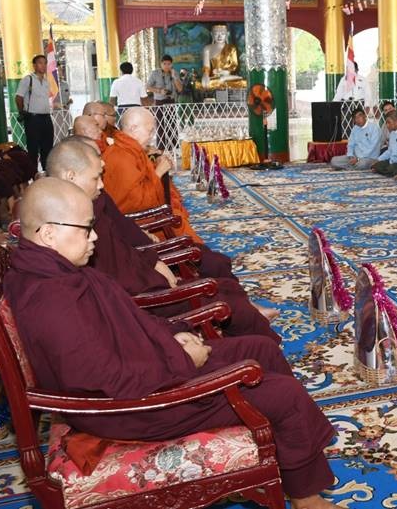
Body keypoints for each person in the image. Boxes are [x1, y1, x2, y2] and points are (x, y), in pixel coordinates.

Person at [4, 178, 340, 508]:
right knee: (283, 395)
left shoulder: (58, 271)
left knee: (260, 349)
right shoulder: (51, 299)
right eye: (85, 229)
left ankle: (289, 464)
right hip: (130, 407)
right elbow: (101, 379)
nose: (94, 237)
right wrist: (183, 360)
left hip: (144, 367)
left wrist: (173, 334)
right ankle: (306, 499)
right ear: (49, 233)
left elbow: (126, 320)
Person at [46, 138, 281, 340]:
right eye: (96, 177)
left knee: (224, 283)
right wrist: (153, 266)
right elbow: (112, 276)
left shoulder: (91, 203)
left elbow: (122, 239)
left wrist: (152, 260)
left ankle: (248, 332)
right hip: (142, 299)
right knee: (224, 298)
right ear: (71, 176)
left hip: (143, 277)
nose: (101, 184)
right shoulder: (71, 224)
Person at [102, 107, 200, 242]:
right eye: (150, 131)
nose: (152, 136)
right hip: (137, 222)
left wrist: (156, 166)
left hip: (142, 214)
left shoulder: (129, 149)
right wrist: (159, 171)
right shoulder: (121, 157)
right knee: (179, 224)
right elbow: (137, 203)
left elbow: (142, 177)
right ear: (133, 128)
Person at [15, 54, 55, 170]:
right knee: (33, 148)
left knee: (47, 146)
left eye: (45, 63)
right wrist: (22, 112)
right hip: (33, 118)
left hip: (46, 117)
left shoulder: (46, 81)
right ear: (34, 65)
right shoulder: (28, 79)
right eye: (40, 63)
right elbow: (18, 97)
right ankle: (33, 172)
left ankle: (46, 171)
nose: (43, 65)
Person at [146, 55, 183, 151]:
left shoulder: (175, 73)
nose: (167, 66)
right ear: (161, 64)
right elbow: (148, 86)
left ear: (172, 64)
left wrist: (174, 77)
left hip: (171, 101)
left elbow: (180, 89)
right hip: (159, 101)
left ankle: (174, 146)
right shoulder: (155, 73)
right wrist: (159, 91)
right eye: (164, 64)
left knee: (172, 124)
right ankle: (161, 147)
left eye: (169, 64)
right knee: (160, 124)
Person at [200, 25, 244, 89]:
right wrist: (205, 75)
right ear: (212, 34)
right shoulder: (207, 48)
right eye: (216, 34)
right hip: (215, 76)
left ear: (227, 34)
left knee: (243, 82)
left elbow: (234, 65)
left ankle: (226, 78)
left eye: (222, 34)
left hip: (227, 75)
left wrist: (226, 71)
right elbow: (206, 67)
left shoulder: (231, 48)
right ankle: (223, 79)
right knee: (204, 84)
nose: (219, 36)